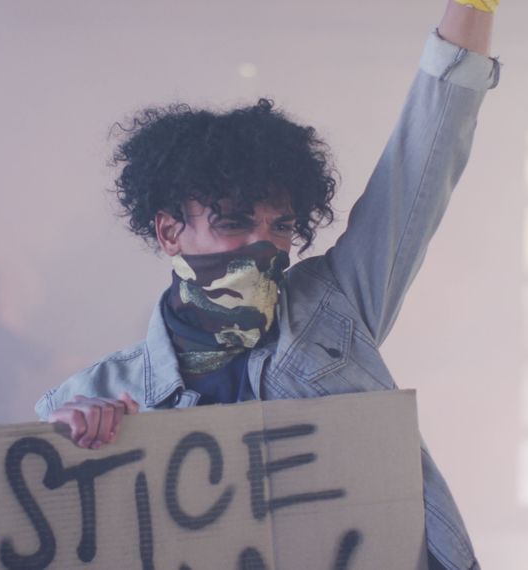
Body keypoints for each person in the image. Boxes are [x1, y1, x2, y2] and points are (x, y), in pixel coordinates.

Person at [34, 1, 501, 568]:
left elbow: (421, 163)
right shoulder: (102, 391)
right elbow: (29, 521)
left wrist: (474, 6)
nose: (264, 246)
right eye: (233, 223)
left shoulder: (333, 305)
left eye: (280, 226)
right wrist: (57, 449)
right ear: (169, 231)